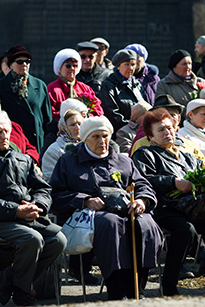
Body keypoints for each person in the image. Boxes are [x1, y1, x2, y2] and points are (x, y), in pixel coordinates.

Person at [0, 111, 66, 306]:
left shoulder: (22, 159)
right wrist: (15, 210)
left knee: (59, 240)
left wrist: (38, 205)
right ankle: (23, 294)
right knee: (32, 240)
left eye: (6, 131)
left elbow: (43, 188)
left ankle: (11, 280)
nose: (5, 136)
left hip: (25, 218)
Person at [50, 116, 161, 300]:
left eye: (105, 136)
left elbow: (143, 185)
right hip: (88, 216)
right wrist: (85, 201)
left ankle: (137, 289)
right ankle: (116, 290)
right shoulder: (69, 161)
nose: (102, 141)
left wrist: (141, 200)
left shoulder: (123, 161)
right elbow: (55, 194)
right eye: (96, 137)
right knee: (111, 224)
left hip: (126, 211)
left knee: (146, 223)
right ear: (85, 138)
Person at [132, 109, 205, 295]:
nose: (167, 133)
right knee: (185, 230)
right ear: (150, 135)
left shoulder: (186, 156)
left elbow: (202, 175)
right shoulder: (145, 154)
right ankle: (169, 284)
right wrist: (174, 182)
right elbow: (143, 180)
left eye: (170, 128)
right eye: (161, 130)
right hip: (165, 208)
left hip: (193, 207)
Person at [0, 45, 52, 153]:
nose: (24, 64)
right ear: (10, 65)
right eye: (19, 62)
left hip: (38, 143)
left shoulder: (40, 85)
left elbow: (47, 119)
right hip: (14, 143)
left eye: (27, 61)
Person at [129, 94, 205, 161]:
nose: (168, 120)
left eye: (172, 115)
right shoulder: (142, 145)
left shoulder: (191, 145)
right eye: (162, 116)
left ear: (179, 119)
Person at [99, 49, 147, 134]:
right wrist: (131, 126)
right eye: (126, 65)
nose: (130, 68)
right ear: (118, 66)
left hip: (141, 131)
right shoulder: (109, 85)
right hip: (121, 133)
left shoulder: (137, 84)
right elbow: (112, 113)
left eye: (133, 64)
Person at [47, 48, 103, 121]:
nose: (72, 68)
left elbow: (98, 109)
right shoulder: (52, 89)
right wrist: (70, 119)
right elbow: (50, 112)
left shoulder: (85, 88)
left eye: (75, 66)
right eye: (68, 66)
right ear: (59, 68)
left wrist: (87, 116)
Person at [41, 109, 83, 182]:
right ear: (64, 127)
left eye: (80, 124)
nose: (77, 128)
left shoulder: (89, 146)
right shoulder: (54, 151)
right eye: (72, 125)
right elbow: (50, 179)